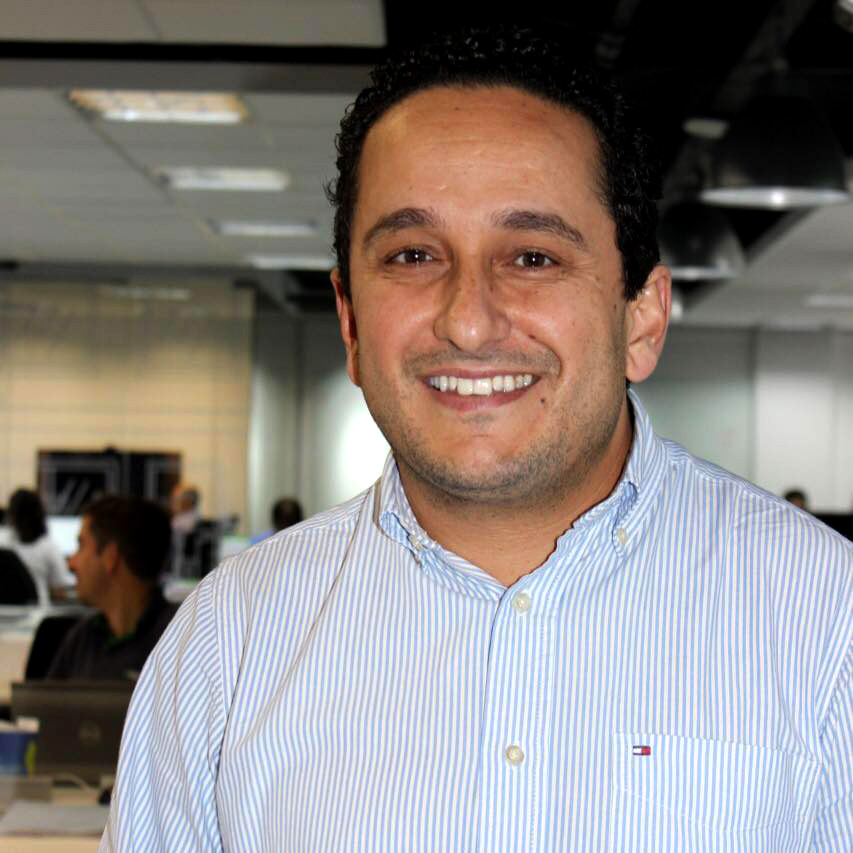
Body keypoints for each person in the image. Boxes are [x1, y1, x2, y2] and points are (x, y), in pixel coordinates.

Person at [102, 27, 851, 851]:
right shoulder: (228, 642)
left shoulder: (824, 619)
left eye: (531, 257)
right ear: (350, 321)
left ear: (640, 317)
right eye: (413, 254)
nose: (466, 320)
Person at [47, 495, 177, 680]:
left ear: (110, 557)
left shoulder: (182, 641)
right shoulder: (81, 639)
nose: (71, 563)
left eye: (81, 545)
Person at [6, 488, 74, 606]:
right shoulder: (6, 544)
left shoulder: (49, 548)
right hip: (8, 611)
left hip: (37, 612)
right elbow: (60, 592)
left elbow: (59, 592)